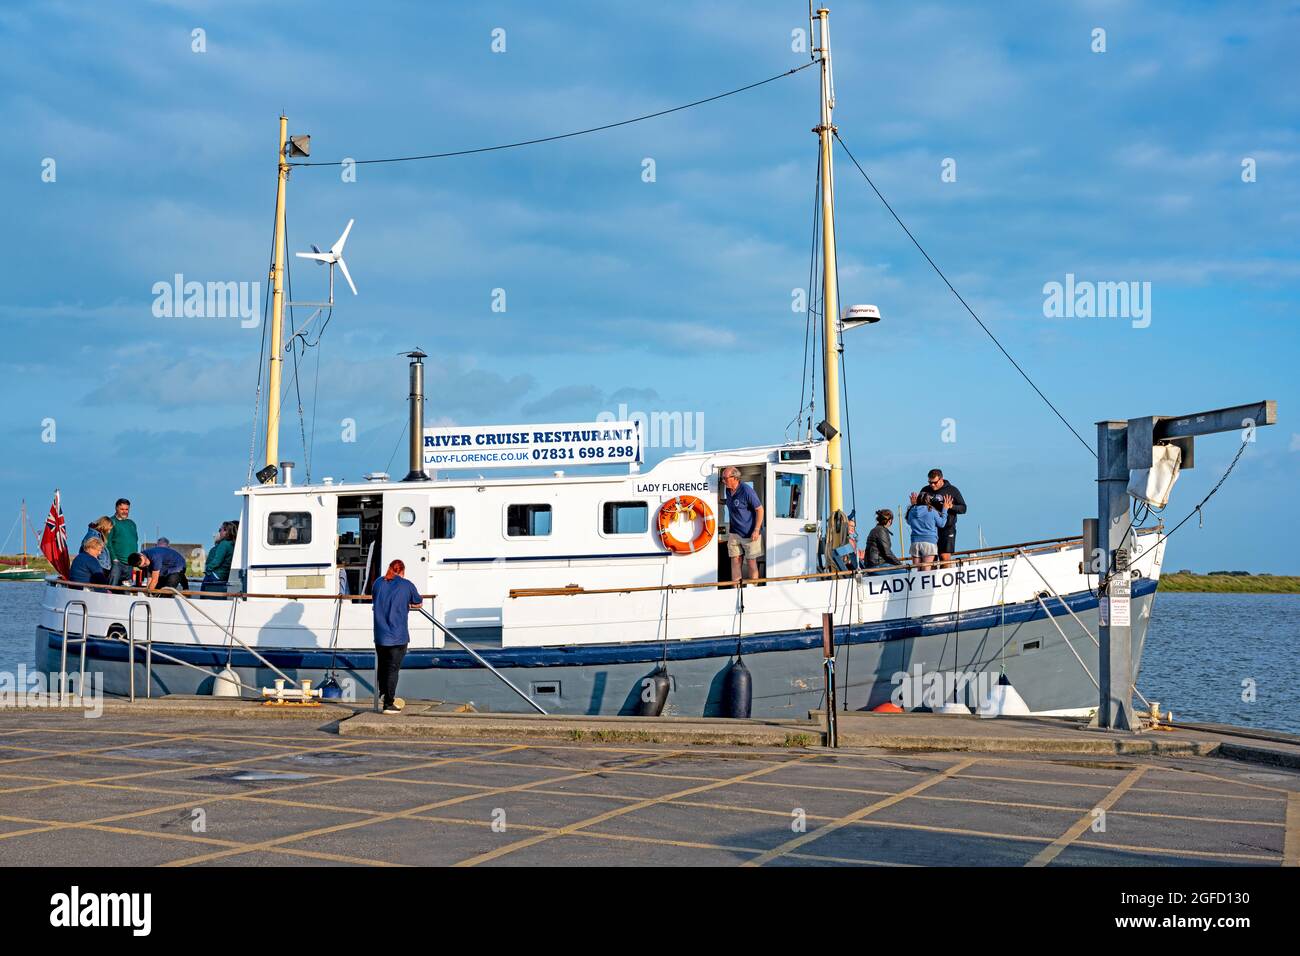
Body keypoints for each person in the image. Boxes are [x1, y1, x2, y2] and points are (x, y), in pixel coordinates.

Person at [371, 559, 422, 715]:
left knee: (383, 666)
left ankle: (383, 694)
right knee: (393, 669)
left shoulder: (378, 583)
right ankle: (388, 704)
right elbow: (418, 602)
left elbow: (375, 599)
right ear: (402, 571)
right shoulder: (407, 585)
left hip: (380, 635)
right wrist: (409, 605)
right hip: (398, 636)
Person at [721, 466, 764, 583]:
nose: (723, 481)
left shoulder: (747, 491)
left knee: (751, 561)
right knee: (735, 560)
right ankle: (735, 589)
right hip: (734, 532)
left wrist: (756, 529)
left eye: (725, 478)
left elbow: (759, 509)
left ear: (735, 478)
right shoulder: (728, 490)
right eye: (722, 478)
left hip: (750, 533)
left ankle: (753, 590)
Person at [918, 469, 966, 567]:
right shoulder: (925, 490)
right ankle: (932, 581)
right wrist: (915, 505)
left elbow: (963, 508)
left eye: (935, 482)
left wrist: (950, 506)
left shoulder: (952, 490)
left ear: (941, 479)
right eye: (930, 482)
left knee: (944, 557)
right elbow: (919, 509)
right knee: (930, 560)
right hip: (930, 530)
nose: (932, 485)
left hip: (947, 528)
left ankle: (947, 580)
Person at [905, 491, 952, 569]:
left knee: (918, 570)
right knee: (926, 570)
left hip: (915, 543)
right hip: (929, 542)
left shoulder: (911, 511)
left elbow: (909, 522)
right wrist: (945, 509)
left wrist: (913, 505)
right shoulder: (931, 511)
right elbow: (942, 524)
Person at [106, 498, 139, 586]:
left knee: (127, 591)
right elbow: (107, 542)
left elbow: (135, 540)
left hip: (130, 564)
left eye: (127, 509)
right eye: (122, 509)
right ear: (116, 508)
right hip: (117, 563)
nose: (125, 511)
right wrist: (114, 559)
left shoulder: (131, 523)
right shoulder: (111, 522)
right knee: (112, 588)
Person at [201, 520, 238, 593]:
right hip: (225, 575)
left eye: (220, 530)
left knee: (202, 593)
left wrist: (208, 569)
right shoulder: (233, 544)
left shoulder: (224, 544)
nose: (219, 532)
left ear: (226, 531)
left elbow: (217, 561)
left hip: (216, 575)